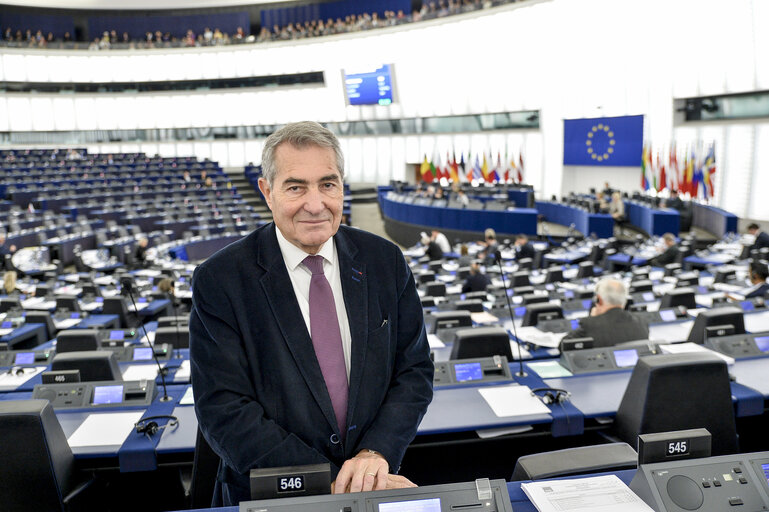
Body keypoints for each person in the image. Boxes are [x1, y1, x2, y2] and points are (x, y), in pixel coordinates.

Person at [189, 122, 434, 505]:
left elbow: (414, 370)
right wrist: (332, 482)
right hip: (273, 495)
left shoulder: (385, 261)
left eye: (328, 184)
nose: (316, 204)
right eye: (295, 187)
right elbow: (224, 409)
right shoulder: (220, 279)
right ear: (267, 192)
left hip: (374, 482)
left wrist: (375, 453)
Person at [561, 278, 649, 348]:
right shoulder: (642, 321)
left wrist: (592, 319)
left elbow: (563, 346)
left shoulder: (590, 324)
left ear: (598, 299)